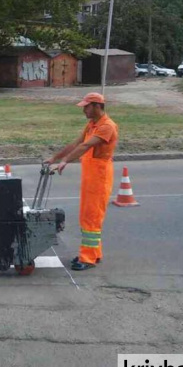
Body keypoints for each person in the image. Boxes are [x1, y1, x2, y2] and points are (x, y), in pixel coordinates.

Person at [46, 92, 118, 271]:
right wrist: (55, 157)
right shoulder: (92, 125)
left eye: (86, 106)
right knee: (87, 215)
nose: (84, 110)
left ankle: (88, 258)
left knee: (91, 217)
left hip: (99, 177)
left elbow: (86, 146)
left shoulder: (107, 126)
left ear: (97, 106)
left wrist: (65, 161)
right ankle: (94, 252)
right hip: (91, 176)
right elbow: (77, 143)